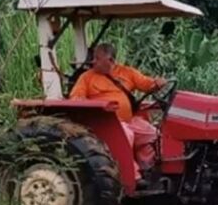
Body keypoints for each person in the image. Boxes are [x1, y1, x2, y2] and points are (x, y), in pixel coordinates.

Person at [68, 43, 167, 183]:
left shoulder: (127, 72)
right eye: (93, 58)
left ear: (111, 60)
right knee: (126, 135)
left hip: (129, 120)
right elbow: (76, 98)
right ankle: (133, 177)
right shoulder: (86, 77)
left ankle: (150, 170)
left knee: (151, 134)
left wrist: (157, 83)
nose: (93, 61)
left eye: (97, 58)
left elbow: (146, 84)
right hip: (108, 123)